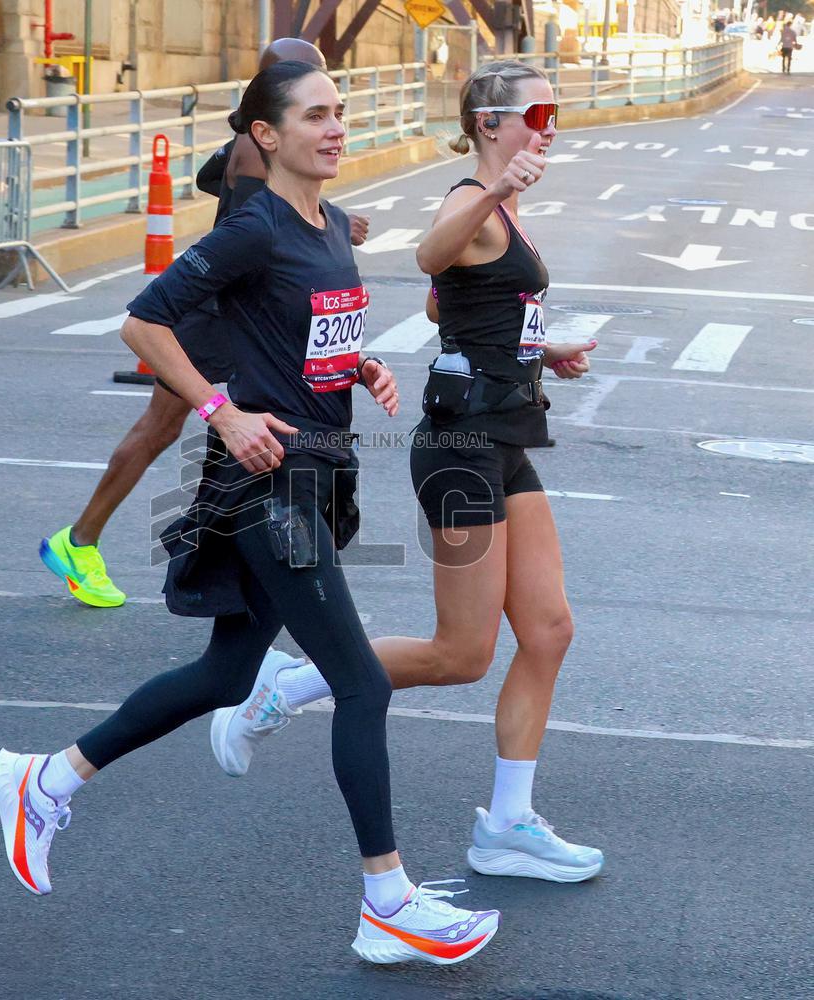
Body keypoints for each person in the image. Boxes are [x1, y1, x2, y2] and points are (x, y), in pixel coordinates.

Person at [0, 59, 499, 966]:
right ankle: (387, 899)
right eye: (315, 116)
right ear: (267, 135)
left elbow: (300, 340)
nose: (335, 127)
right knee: (361, 682)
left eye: (339, 113)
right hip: (267, 486)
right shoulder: (256, 226)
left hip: (316, 472)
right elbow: (143, 323)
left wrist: (356, 368)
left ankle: (46, 777)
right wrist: (219, 410)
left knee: (228, 677)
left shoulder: (330, 225)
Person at [210, 60, 605, 886]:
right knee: (461, 652)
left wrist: (540, 348)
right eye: (536, 112)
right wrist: (496, 195)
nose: (550, 126)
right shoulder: (474, 198)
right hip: (461, 453)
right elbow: (433, 254)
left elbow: (445, 304)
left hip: (503, 438)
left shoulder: (502, 207)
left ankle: (507, 825)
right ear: (489, 122)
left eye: (553, 111)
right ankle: (293, 683)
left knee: (549, 629)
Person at [39, 37, 368, 608]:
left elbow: (211, 183)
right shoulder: (255, 151)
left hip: (244, 305)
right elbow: (248, 232)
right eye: (307, 92)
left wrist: (330, 222)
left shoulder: (248, 145)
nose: (323, 106)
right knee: (176, 427)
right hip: (223, 311)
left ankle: (222, 548)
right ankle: (86, 539)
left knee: (220, 427)